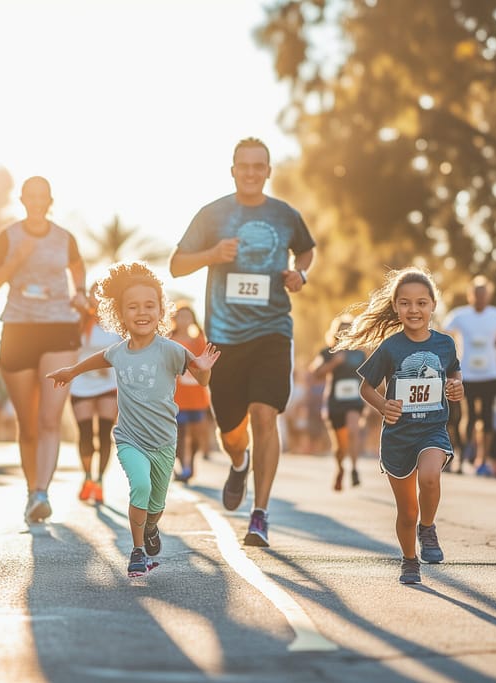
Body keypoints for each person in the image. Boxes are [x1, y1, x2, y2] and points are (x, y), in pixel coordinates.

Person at [169, 137, 315, 547]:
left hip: (272, 331)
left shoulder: (285, 215)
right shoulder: (212, 215)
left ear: (268, 171)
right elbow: (177, 265)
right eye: (244, 165)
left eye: (259, 166)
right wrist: (212, 253)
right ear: (232, 169)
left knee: (264, 415)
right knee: (233, 431)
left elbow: (305, 253)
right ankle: (239, 461)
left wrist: (299, 275)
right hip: (224, 339)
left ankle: (260, 513)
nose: (251, 172)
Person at [47, 262, 220, 577]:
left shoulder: (172, 350)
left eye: (150, 306)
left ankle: (151, 526)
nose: (142, 312)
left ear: (160, 309)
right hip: (129, 439)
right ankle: (138, 551)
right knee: (139, 486)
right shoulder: (118, 351)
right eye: (133, 307)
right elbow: (97, 359)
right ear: (120, 314)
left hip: (164, 441)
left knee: (156, 503)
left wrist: (204, 367)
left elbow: (203, 380)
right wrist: (71, 372)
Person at [334, 267, 463, 585]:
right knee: (406, 511)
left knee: (430, 478)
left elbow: (455, 375)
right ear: (395, 307)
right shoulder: (390, 348)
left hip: (432, 429)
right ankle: (409, 561)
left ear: (433, 304)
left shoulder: (445, 345)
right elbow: (366, 388)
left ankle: (428, 528)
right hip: (398, 437)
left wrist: (457, 387)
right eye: (405, 303)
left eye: (421, 303)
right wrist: (383, 406)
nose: (414, 310)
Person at [0, 176, 90, 525]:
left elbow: (77, 265)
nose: (38, 201)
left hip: (59, 328)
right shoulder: (8, 237)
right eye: (32, 196)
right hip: (18, 330)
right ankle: (32, 492)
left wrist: (81, 291)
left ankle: (42, 492)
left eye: (43, 196)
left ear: (50, 200)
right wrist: (17, 259)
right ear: (23, 199)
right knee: (27, 424)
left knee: (49, 418)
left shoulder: (64, 238)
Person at [442, 275, 496, 476]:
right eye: (477, 295)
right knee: (467, 416)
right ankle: (463, 453)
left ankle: (482, 459)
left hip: (490, 374)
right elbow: (444, 333)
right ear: (471, 296)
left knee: (488, 417)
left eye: (484, 295)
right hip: (467, 374)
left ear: (489, 296)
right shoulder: (459, 316)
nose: (480, 298)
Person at [69, 283, 121, 503]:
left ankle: (100, 482)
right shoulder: (79, 322)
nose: (97, 298)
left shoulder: (117, 324)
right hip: (81, 385)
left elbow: (123, 352)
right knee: (85, 434)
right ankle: (87, 477)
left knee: (105, 433)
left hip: (108, 385)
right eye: (94, 294)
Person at [309, 316, 366, 491]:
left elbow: (371, 375)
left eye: (349, 329)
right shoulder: (328, 352)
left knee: (354, 430)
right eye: (342, 329)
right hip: (335, 402)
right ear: (335, 332)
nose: (346, 333)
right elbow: (315, 374)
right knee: (340, 446)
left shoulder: (360, 353)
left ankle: (355, 469)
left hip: (355, 401)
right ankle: (341, 467)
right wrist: (334, 363)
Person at [169, 304, 211, 483]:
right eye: (181, 316)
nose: (184, 321)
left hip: (196, 395)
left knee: (194, 434)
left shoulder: (199, 340)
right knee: (179, 432)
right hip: (176, 395)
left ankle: (190, 464)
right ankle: (183, 465)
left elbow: (207, 362)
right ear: (175, 319)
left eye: (188, 317)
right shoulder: (169, 340)